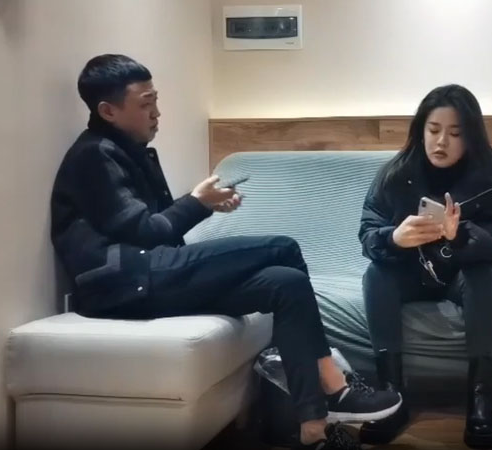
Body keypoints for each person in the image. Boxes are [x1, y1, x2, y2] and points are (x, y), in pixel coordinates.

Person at [50, 54, 401, 450]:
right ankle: (334, 386)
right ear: (108, 111)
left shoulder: (132, 151)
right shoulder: (94, 155)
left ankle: (312, 426)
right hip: (121, 284)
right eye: (146, 104)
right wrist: (196, 203)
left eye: (156, 100)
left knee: (286, 283)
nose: (157, 113)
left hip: (148, 275)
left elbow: (156, 229)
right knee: (283, 248)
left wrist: (204, 205)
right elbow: (147, 232)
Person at [357, 84, 492, 448]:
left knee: (484, 274)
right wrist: (394, 238)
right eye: (433, 130)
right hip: (410, 273)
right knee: (376, 274)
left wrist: (461, 236)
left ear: (471, 137)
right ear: (421, 131)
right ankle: (391, 397)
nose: (441, 141)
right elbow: (367, 233)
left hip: (460, 274)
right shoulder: (395, 173)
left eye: (455, 133)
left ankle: (480, 399)